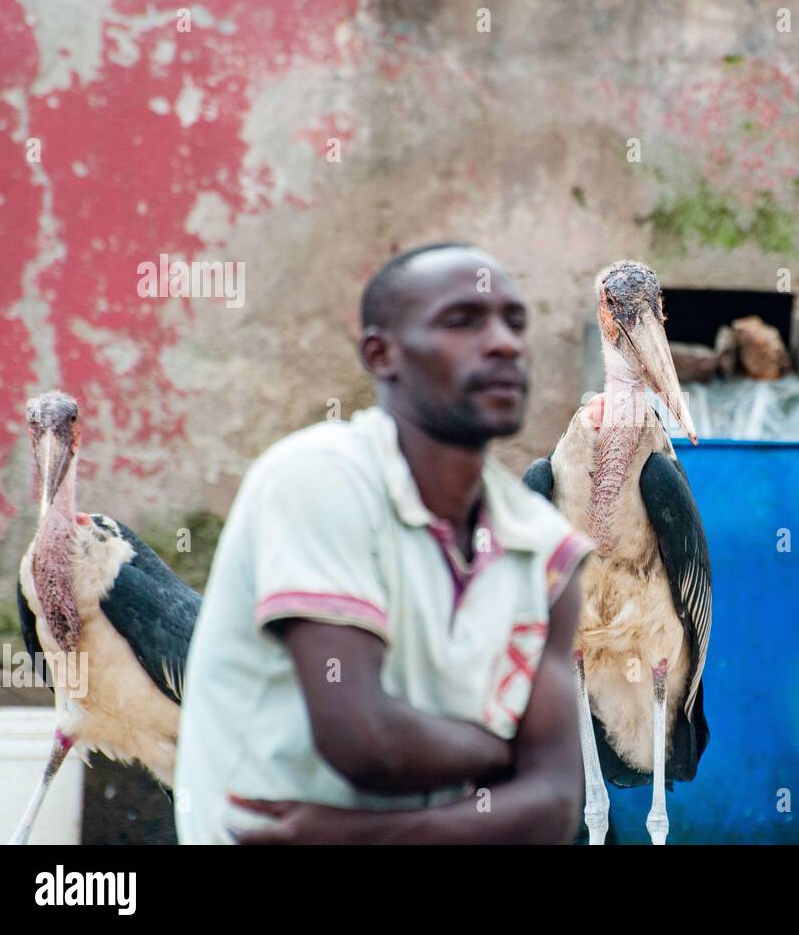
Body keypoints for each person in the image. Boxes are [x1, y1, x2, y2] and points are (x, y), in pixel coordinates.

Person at [174, 243, 594, 843]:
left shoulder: (544, 547)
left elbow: (553, 807)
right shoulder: (318, 477)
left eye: (514, 322)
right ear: (381, 354)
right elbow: (363, 739)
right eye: (463, 322)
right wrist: (502, 751)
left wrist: (354, 836)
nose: (504, 343)